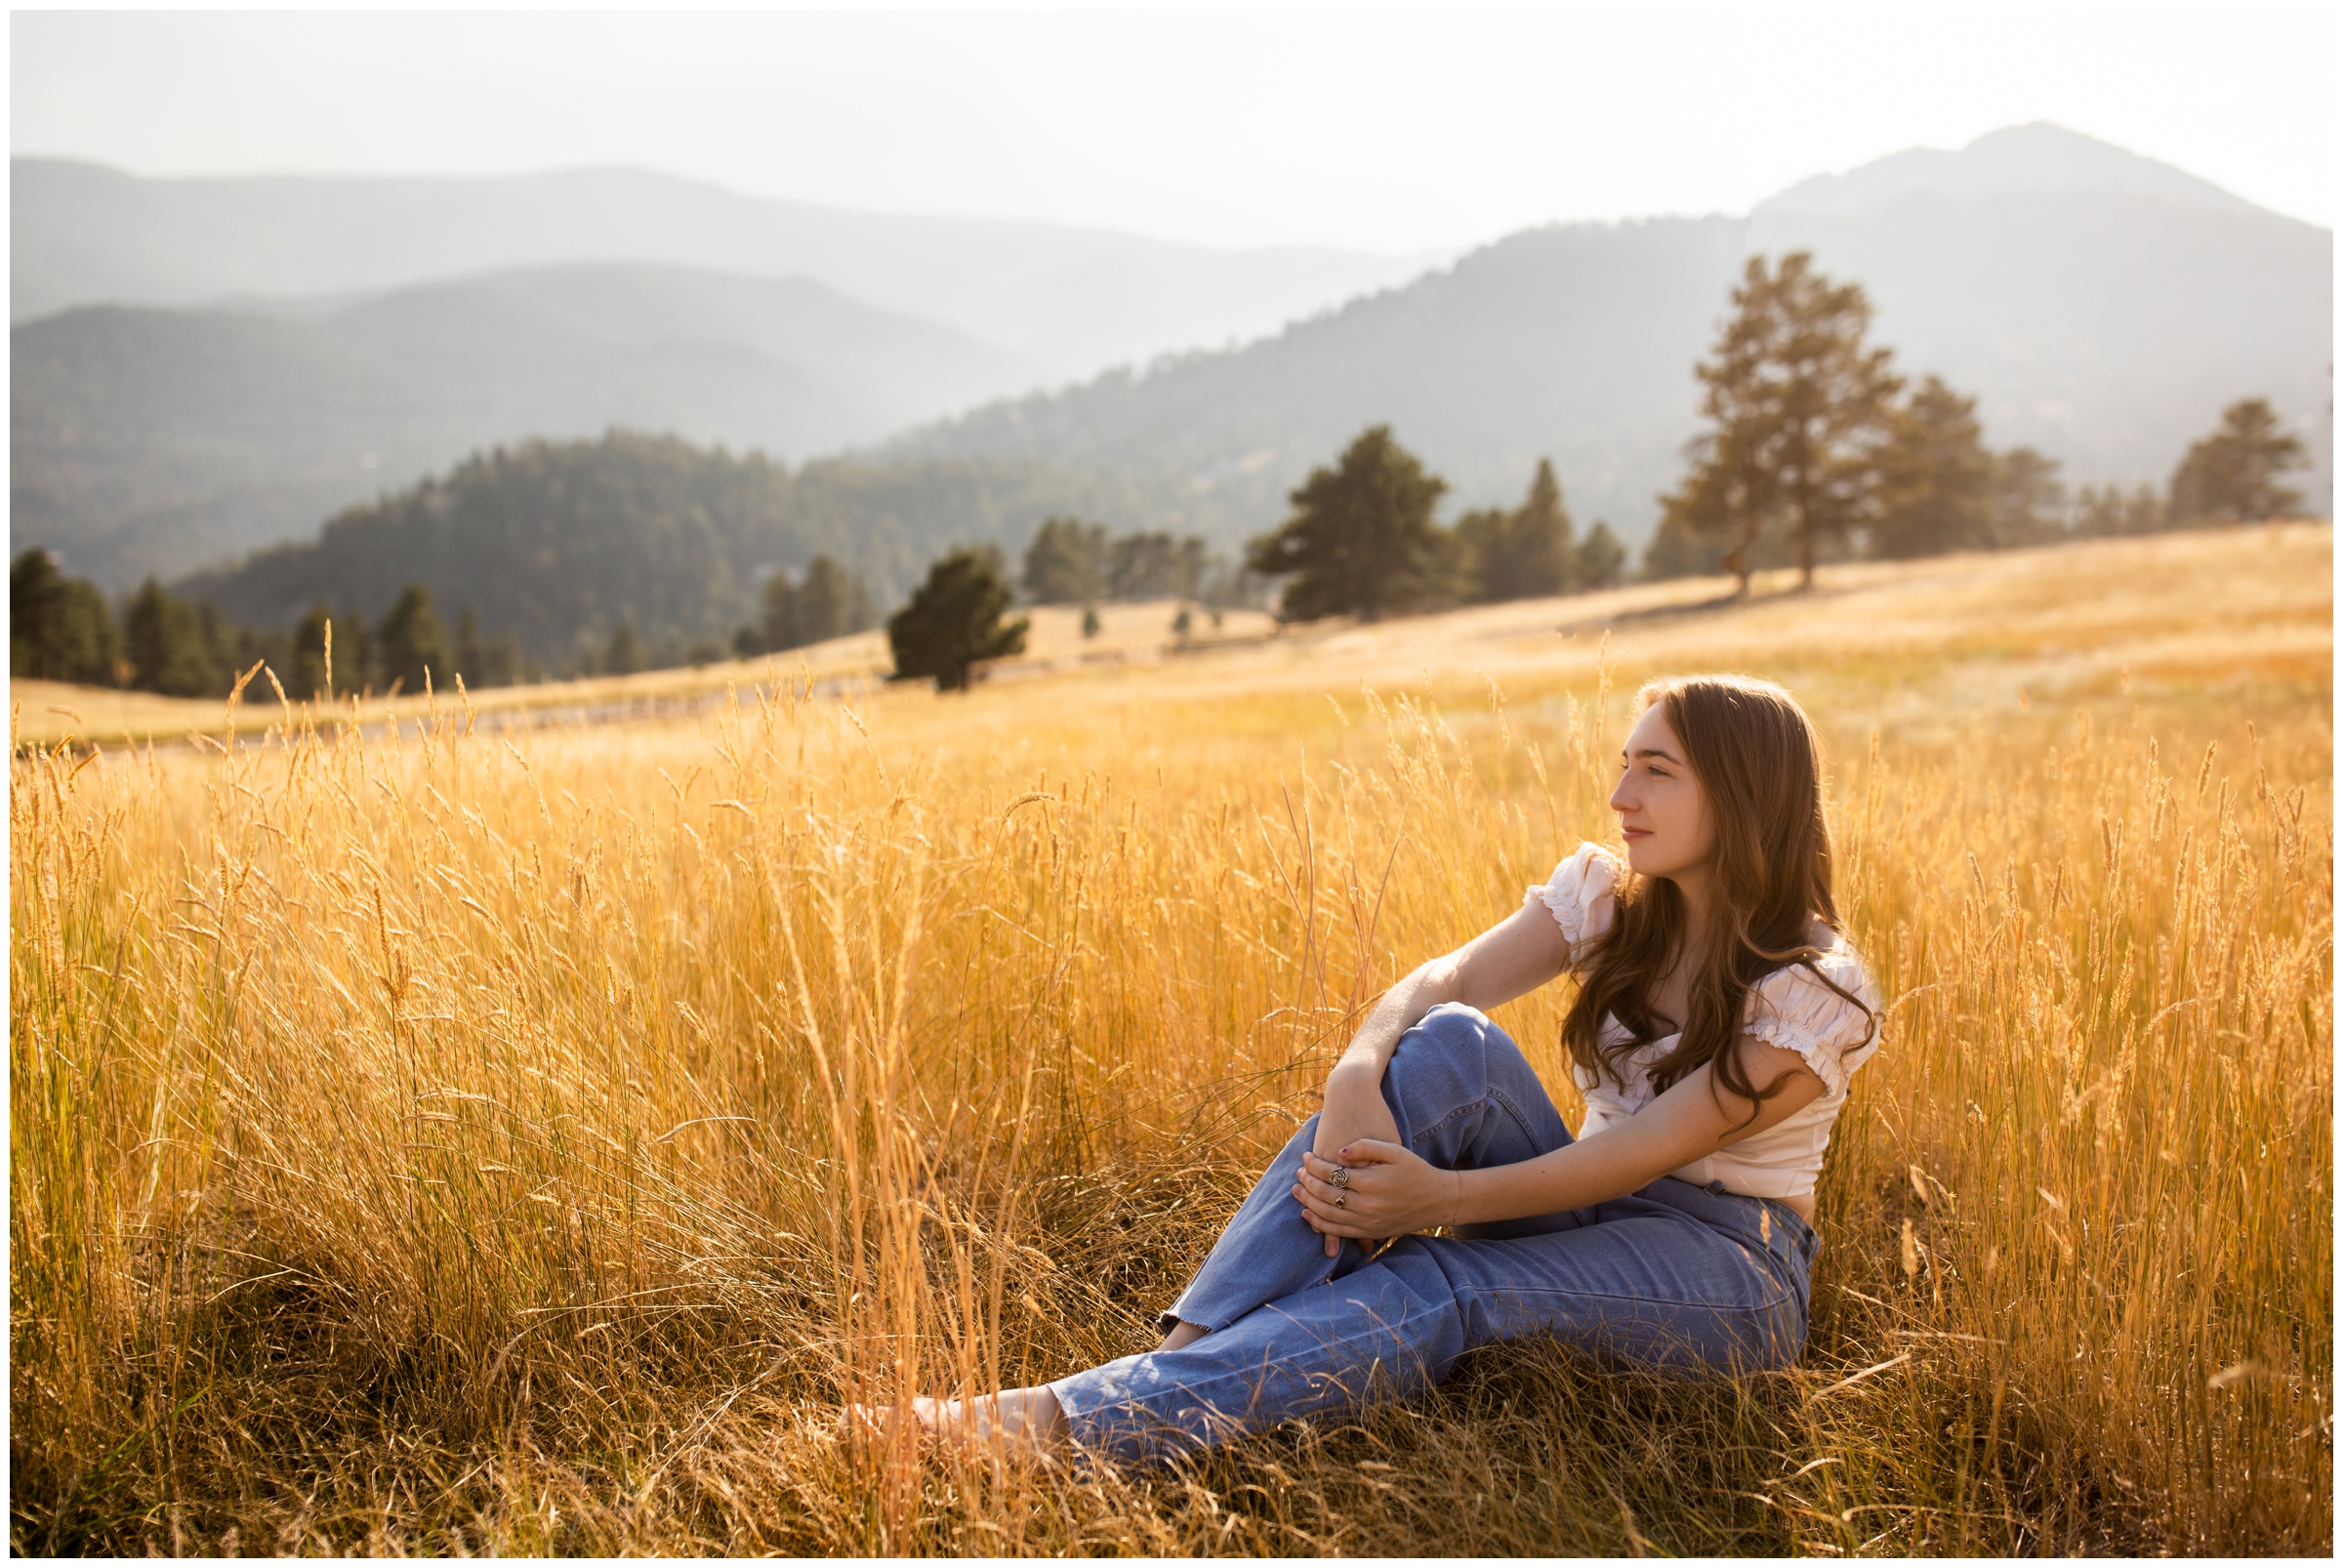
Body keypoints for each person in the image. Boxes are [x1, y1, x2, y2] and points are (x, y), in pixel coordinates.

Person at [877, 673, 1882, 1460]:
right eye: (1624, 763)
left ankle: (1058, 1428)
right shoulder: (1612, 900)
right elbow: (1442, 981)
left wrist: (1437, 1197)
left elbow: (1647, 1152)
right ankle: (1179, 1363)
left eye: (1657, 770)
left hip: (1724, 1271)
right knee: (1451, 1046)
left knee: (1446, 1277)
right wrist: (1354, 1073)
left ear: (1745, 792)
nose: (1621, 795)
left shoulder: (1815, 988)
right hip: (1585, 1210)